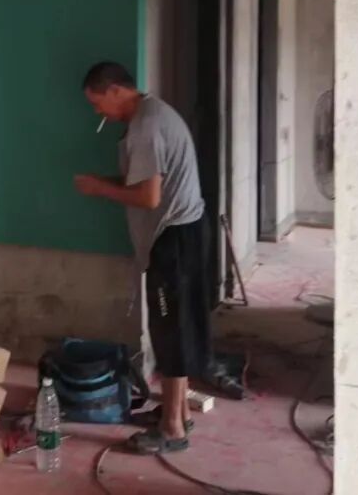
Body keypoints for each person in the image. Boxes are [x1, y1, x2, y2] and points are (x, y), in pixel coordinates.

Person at [74, 61, 241, 455]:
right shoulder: (153, 114)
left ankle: (172, 429)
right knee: (176, 327)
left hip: (174, 241)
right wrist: (103, 183)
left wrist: (99, 188)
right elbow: (145, 183)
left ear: (116, 90)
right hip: (184, 234)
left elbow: (149, 197)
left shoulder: (145, 127)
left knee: (170, 331)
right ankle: (176, 411)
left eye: (98, 103)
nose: (98, 112)